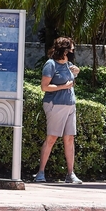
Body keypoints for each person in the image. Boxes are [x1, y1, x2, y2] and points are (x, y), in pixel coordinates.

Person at [33, 37, 82, 184]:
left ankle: (70, 174)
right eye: (71, 49)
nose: (73, 52)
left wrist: (77, 72)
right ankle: (40, 173)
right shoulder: (50, 64)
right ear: (64, 50)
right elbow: (44, 87)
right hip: (55, 104)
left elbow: (71, 81)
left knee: (69, 138)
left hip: (70, 105)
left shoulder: (69, 64)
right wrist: (62, 87)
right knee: (52, 138)